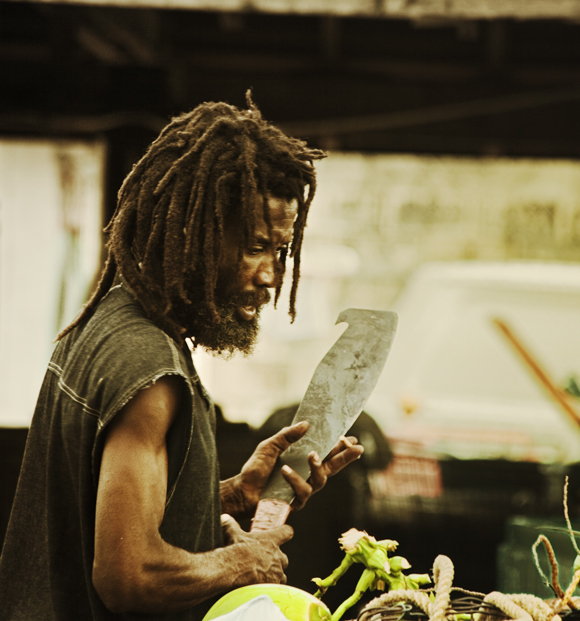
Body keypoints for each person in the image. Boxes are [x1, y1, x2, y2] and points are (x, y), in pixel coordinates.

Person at [0, 92, 365, 620]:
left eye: (280, 252)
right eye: (255, 246)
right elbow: (130, 576)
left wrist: (232, 494)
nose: (270, 275)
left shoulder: (110, 320)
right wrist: (246, 564)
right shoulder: (151, 371)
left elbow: (102, 519)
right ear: (197, 235)